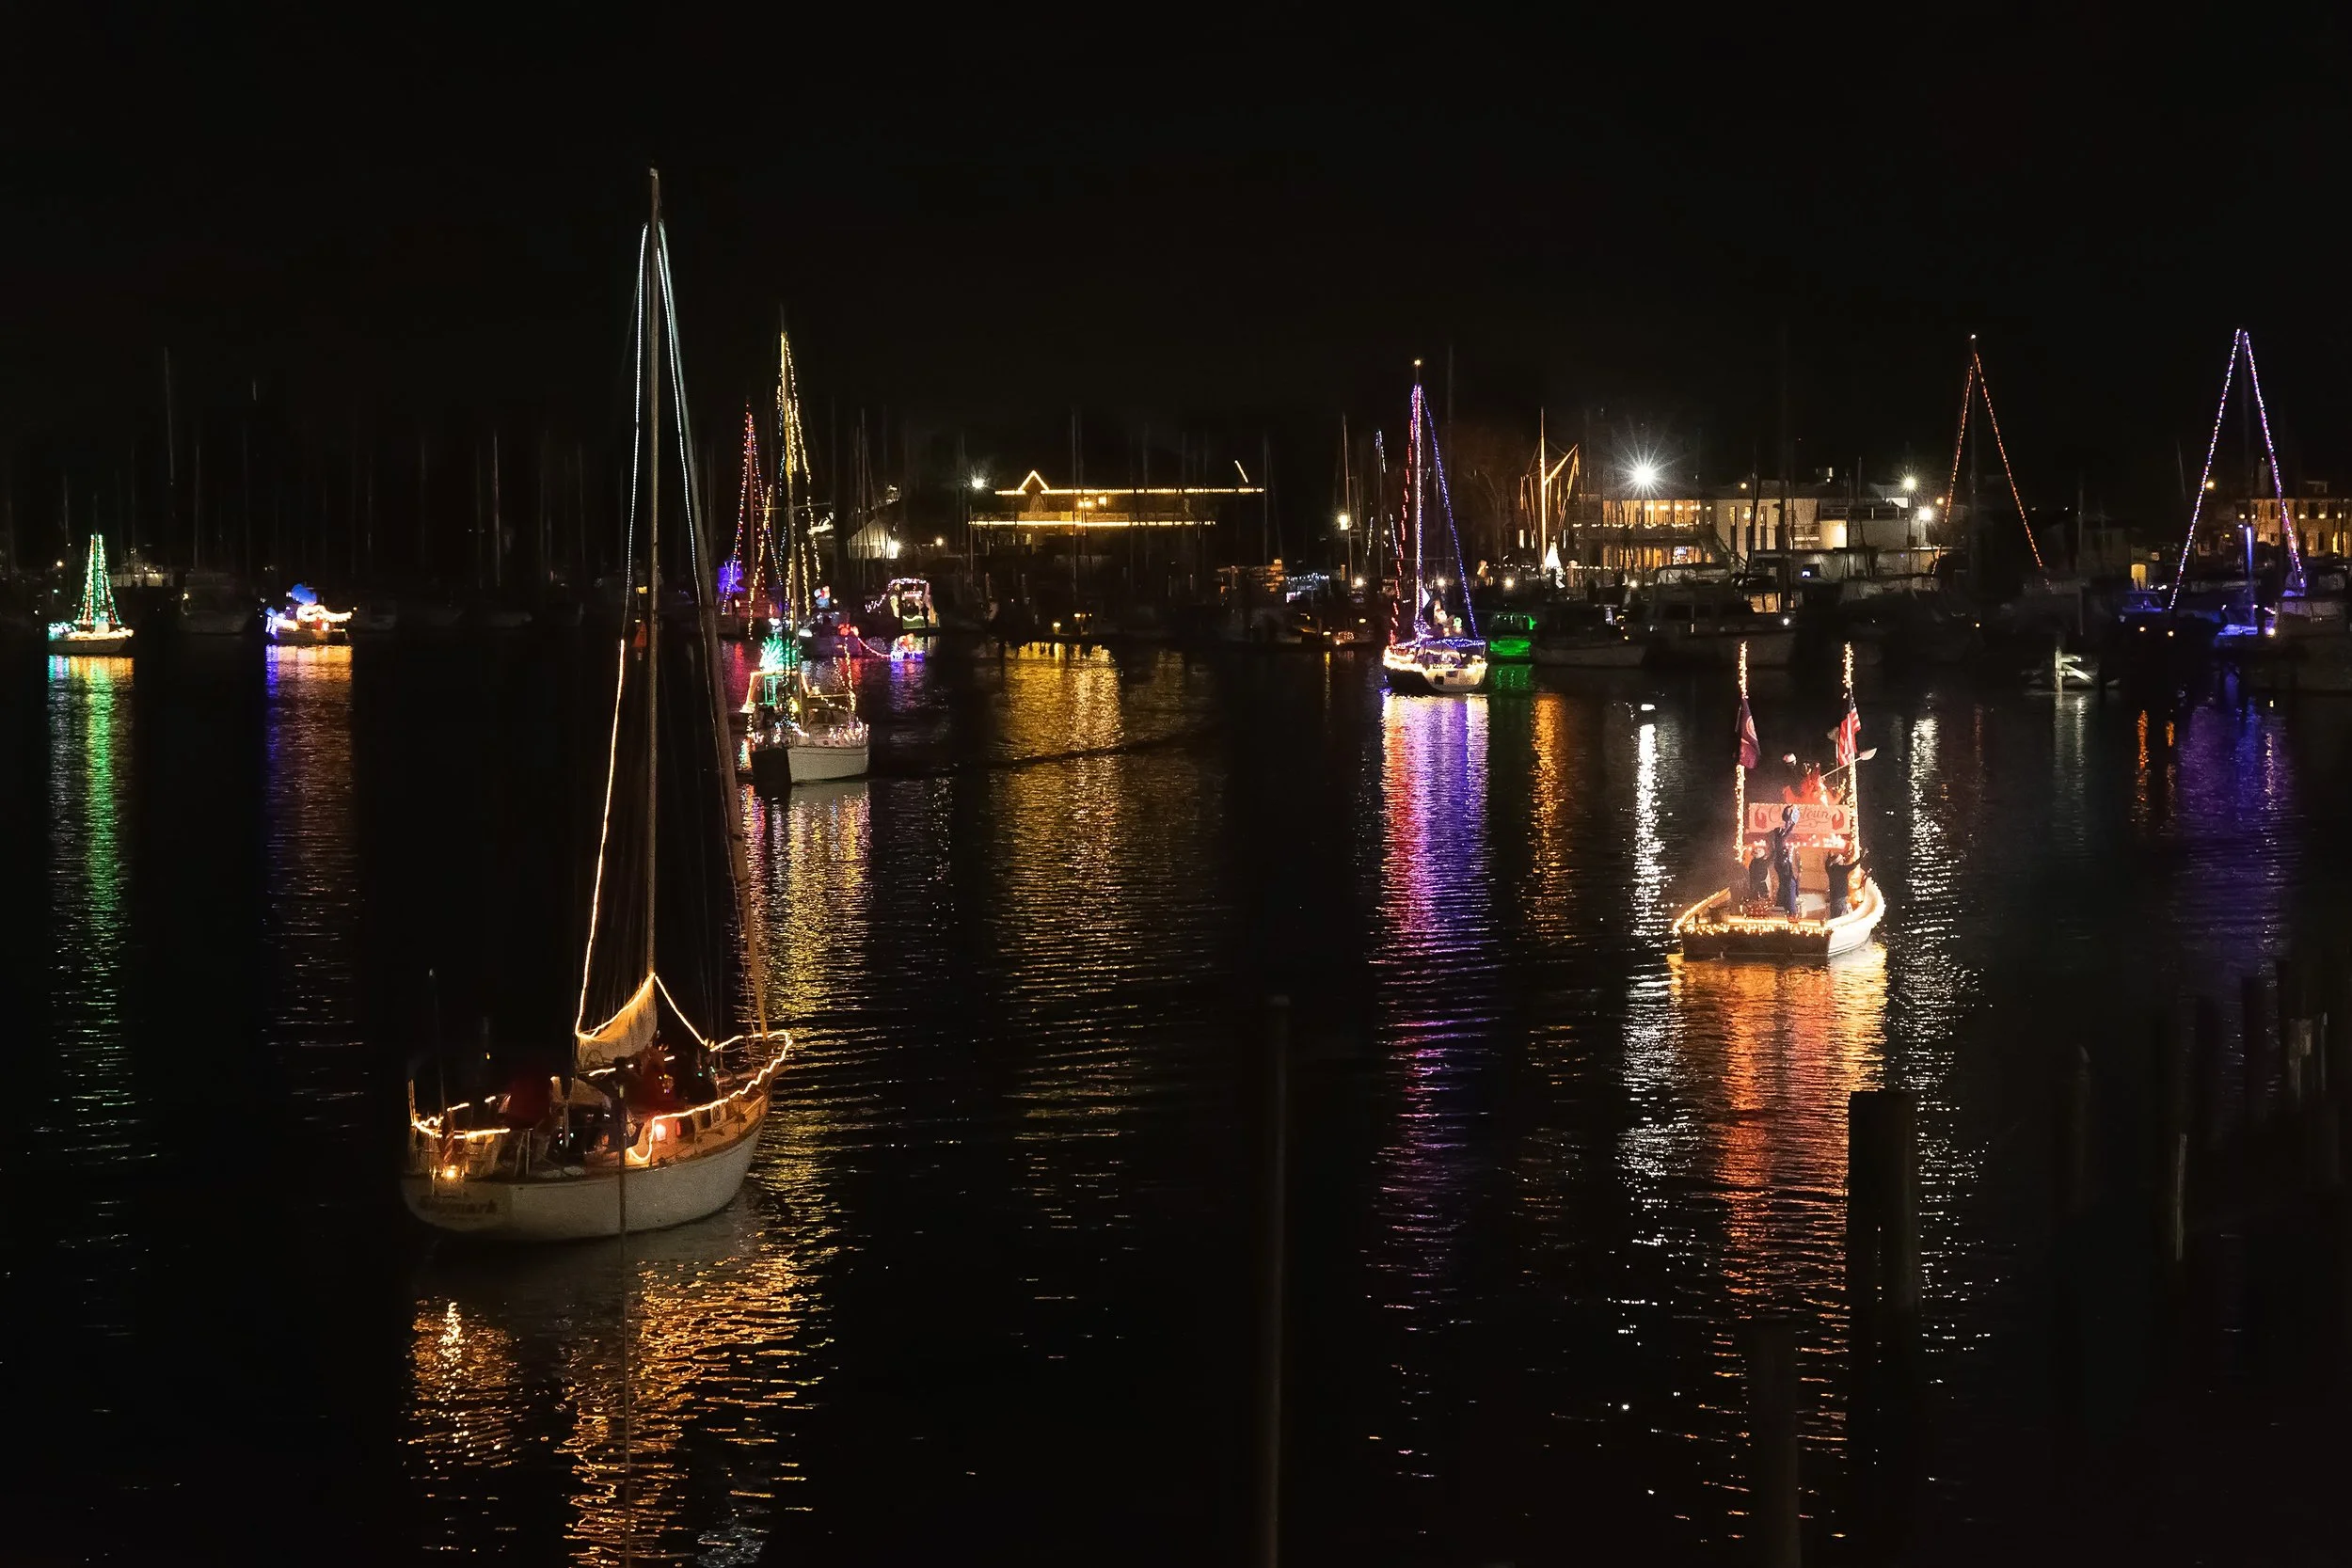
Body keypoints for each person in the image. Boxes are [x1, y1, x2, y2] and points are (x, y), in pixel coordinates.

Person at [1769, 806, 1801, 917]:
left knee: (1785, 883)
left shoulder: (1778, 840)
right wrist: (1792, 823)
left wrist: (1789, 816)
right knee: (1788, 883)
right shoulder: (1780, 840)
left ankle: (1784, 907)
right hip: (1781, 863)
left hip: (1780, 863)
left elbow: (1786, 829)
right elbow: (1787, 830)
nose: (1782, 830)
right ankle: (1790, 911)